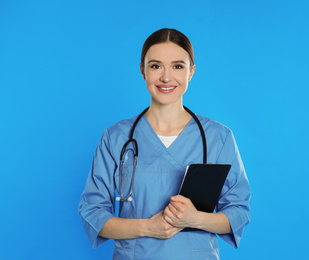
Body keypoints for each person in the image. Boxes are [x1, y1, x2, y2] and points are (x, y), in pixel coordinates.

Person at [78, 28, 251, 259]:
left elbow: (238, 212)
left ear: (191, 72)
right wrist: (148, 227)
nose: (166, 77)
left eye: (178, 66)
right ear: (142, 70)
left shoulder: (218, 137)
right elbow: (93, 212)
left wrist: (195, 218)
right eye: (156, 66)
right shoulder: (116, 137)